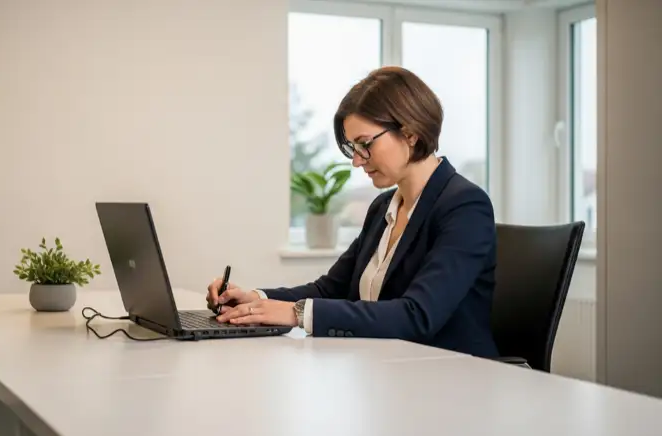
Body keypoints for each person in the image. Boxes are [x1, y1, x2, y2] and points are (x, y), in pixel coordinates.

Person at [206, 66, 499, 358]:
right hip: (387, 371)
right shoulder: (384, 207)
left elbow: (417, 315)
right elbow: (330, 289)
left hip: (449, 379)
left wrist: (295, 313)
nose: (357, 161)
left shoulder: (465, 207)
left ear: (410, 133)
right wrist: (255, 300)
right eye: (352, 148)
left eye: (365, 144)